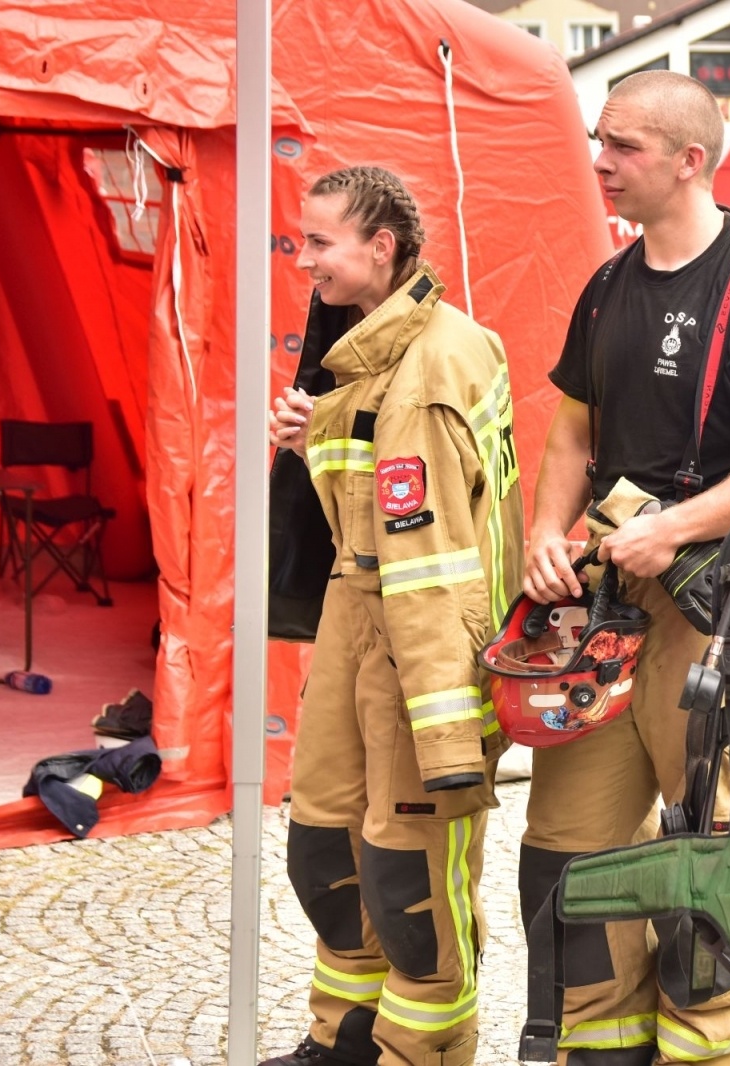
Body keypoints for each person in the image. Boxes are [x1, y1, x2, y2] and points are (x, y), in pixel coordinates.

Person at [520, 70, 730, 1065]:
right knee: (570, 858)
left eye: (621, 146)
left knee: (705, 866)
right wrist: (545, 526)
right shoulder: (610, 283)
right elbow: (573, 428)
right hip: (604, 613)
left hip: (720, 615)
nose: (599, 162)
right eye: (597, 141)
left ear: (690, 160)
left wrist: (675, 527)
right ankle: (596, 1049)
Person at [263, 165, 524, 1066]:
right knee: (323, 858)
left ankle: (422, 1052)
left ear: (383, 247)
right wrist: (315, 437)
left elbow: (441, 565)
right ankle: (342, 1041)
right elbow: (373, 513)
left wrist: (451, 731)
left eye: (321, 242)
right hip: (356, 617)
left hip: (421, 652)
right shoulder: (367, 351)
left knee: (409, 888)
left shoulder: (435, 364)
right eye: (301, 241)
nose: (306, 261)